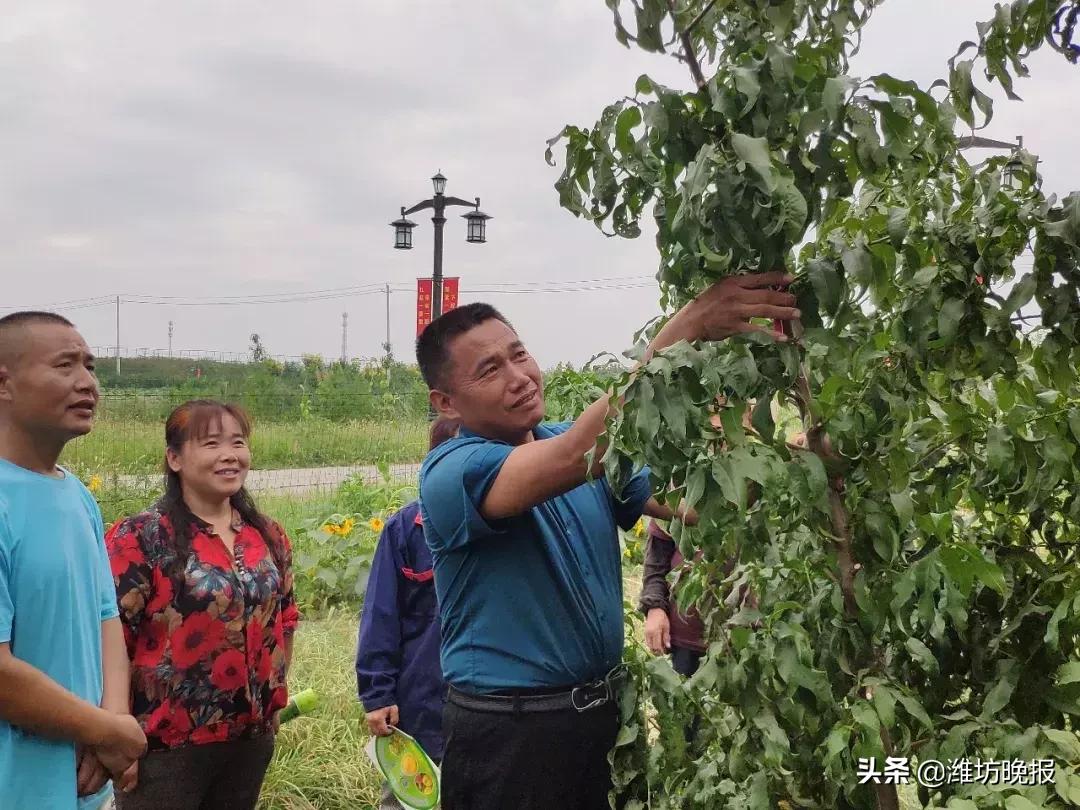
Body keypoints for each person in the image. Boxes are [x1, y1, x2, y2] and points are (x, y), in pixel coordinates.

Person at [415, 272, 798, 810]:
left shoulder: (573, 448)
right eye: (489, 370)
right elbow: (576, 454)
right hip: (507, 732)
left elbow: (693, 507)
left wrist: (790, 457)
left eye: (519, 354)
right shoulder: (452, 472)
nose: (520, 376)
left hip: (591, 718)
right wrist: (685, 328)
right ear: (446, 402)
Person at [105, 399, 299, 810]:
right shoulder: (140, 537)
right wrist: (117, 730)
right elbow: (113, 637)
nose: (230, 455)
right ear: (174, 458)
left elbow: (285, 619)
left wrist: (275, 699)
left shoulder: (267, 535)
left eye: (238, 442)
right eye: (211, 444)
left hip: (249, 740)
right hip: (164, 747)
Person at [0, 311, 147, 810]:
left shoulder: (78, 495)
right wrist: (106, 730)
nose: (88, 383)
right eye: (66, 366)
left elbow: (106, 618)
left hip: (85, 787)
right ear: (4, 385)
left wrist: (113, 725)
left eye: (90, 366)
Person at [356, 415, 460, 809]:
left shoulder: (507, 526)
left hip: (487, 706)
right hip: (417, 708)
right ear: (432, 463)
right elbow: (380, 618)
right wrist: (377, 693)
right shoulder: (404, 529)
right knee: (406, 800)